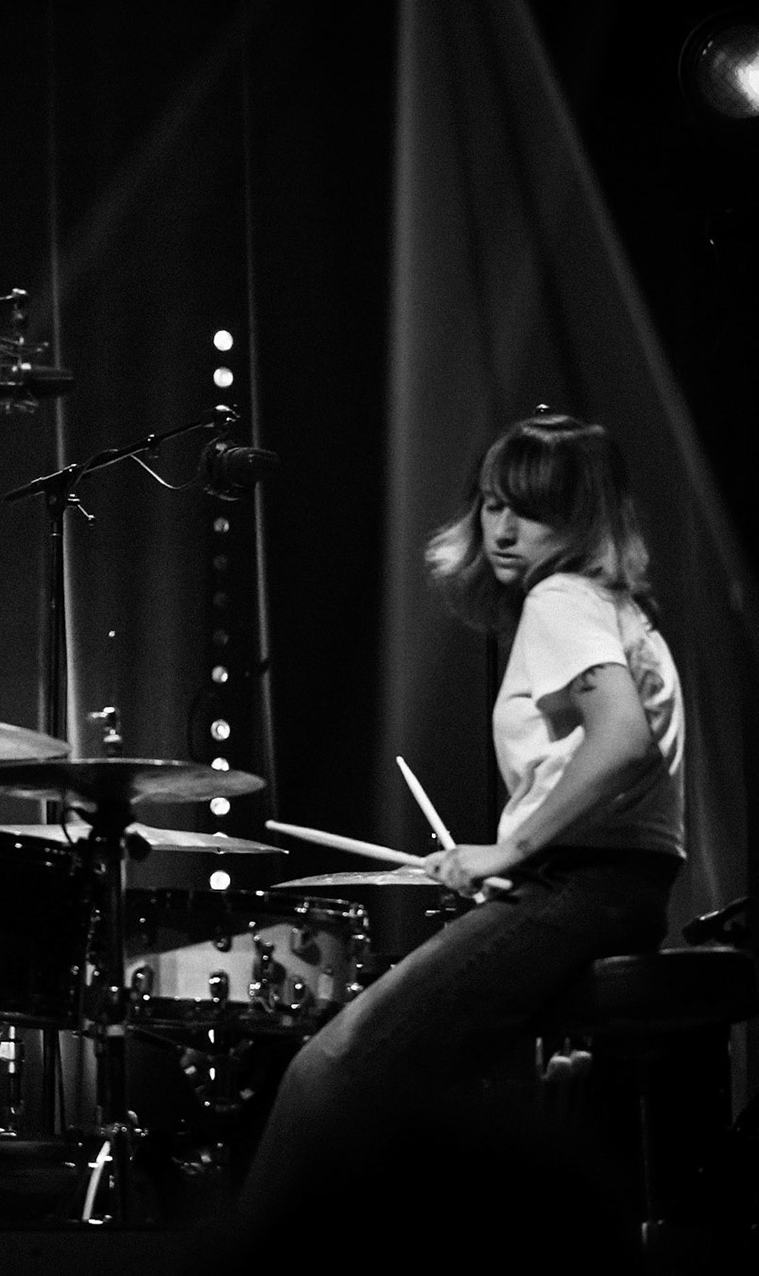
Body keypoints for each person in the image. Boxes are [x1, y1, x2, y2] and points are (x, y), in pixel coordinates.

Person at [224, 412, 685, 1268]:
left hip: (581, 890)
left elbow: (622, 740)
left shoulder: (562, 598)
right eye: (490, 505)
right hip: (615, 888)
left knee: (330, 1076)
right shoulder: (618, 609)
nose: (503, 530)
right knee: (426, 1095)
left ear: (583, 518)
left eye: (532, 512)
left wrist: (512, 850)